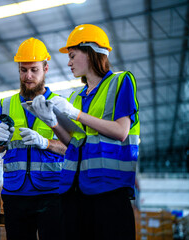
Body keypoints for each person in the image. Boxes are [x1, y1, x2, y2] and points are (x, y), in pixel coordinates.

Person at [30, 24, 140, 240]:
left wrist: (76, 114)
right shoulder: (75, 97)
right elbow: (74, 143)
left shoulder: (120, 82)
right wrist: (53, 122)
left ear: (90, 52)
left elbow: (121, 131)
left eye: (72, 56)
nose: (68, 63)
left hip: (109, 190)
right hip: (74, 192)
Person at [0, 37, 67, 240]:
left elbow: (72, 147)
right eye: (23, 70)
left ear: (46, 69)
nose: (28, 76)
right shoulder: (7, 104)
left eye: (34, 69)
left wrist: (46, 143)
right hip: (15, 193)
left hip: (52, 192)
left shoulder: (59, 104)